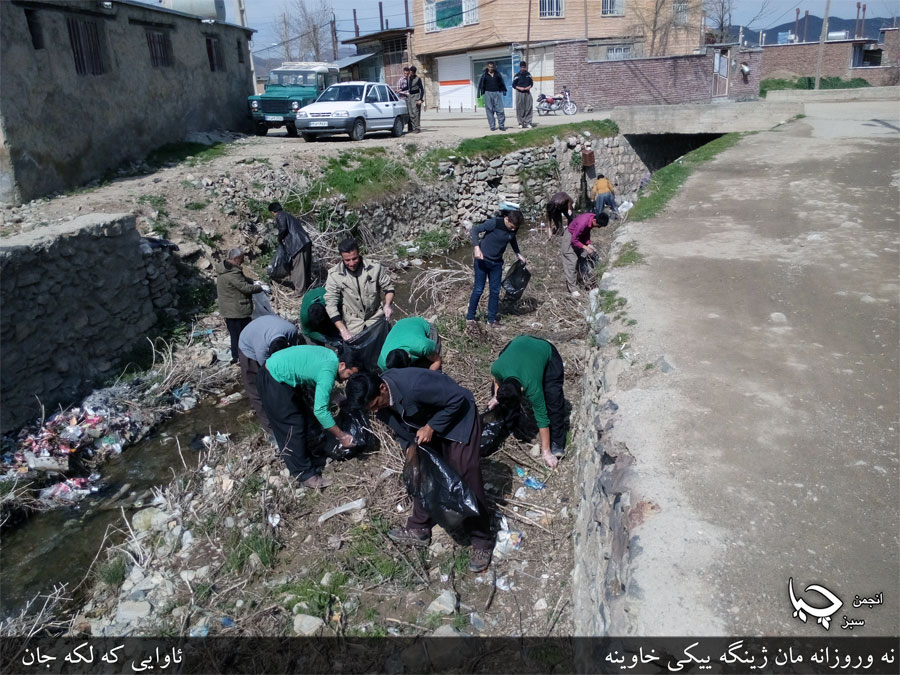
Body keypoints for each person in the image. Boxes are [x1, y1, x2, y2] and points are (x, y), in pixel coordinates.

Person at [346, 370, 494, 572]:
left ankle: (482, 541)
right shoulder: (379, 404)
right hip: (426, 428)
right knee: (420, 472)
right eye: (370, 409)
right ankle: (419, 527)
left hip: (460, 420)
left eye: (375, 405)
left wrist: (432, 426)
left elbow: (459, 397)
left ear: (382, 388)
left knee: (466, 473)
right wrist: (409, 449)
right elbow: (401, 429)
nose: (374, 411)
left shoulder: (415, 385)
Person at [257, 345, 361, 489]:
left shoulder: (331, 357)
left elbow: (315, 378)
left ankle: (310, 455)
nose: (346, 380)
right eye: (349, 374)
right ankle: (305, 475)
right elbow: (321, 411)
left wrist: (335, 397)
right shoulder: (328, 371)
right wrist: (341, 436)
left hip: (282, 374)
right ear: (342, 365)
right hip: (273, 378)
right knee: (293, 426)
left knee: (305, 417)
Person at [489, 336, 567, 470]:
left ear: (522, 390)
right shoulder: (497, 367)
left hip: (544, 350)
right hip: (517, 343)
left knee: (553, 399)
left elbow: (542, 419)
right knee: (502, 399)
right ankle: (508, 422)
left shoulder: (532, 387)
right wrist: (496, 397)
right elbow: (496, 379)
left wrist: (546, 452)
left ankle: (557, 441)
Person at [238, 315, 300, 435]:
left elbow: (295, 354)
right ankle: (272, 430)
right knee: (257, 390)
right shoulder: (261, 350)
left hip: (266, 328)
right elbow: (269, 372)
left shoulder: (291, 331)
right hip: (248, 348)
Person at [325, 238, 395, 341]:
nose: (352, 263)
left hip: (376, 317)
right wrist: (343, 330)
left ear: (359, 253)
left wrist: (387, 305)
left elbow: (389, 288)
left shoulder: (375, 267)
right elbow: (331, 304)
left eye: (355, 258)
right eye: (347, 260)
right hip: (353, 322)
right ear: (342, 258)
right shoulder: (334, 275)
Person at [466, 210, 526, 328]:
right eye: (512, 227)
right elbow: (475, 230)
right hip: (482, 261)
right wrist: (477, 248)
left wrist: (518, 254)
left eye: (516, 228)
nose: (513, 229)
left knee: (495, 291)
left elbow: (512, 239)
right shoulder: (494, 223)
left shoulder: (513, 228)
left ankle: (491, 320)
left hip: (497, 263)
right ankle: (470, 318)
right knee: (478, 289)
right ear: (507, 219)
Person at [215, 247, 266, 364]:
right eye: (242, 258)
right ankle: (238, 357)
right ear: (236, 258)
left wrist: (252, 281)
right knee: (239, 335)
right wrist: (260, 288)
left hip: (230, 309)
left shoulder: (227, 269)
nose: (243, 261)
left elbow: (242, 280)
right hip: (237, 311)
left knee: (236, 334)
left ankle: (240, 356)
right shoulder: (232, 273)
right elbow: (245, 288)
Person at [268, 202, 312, 297]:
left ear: (273, 211)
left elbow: (283, 228)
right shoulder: (288, 215)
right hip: (304, 241)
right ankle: (308, 289)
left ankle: (299, 292)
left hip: (297, 244)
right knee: (305, 266)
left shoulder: (280, 216)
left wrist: (279, 239)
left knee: (298, 267)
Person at [561, 211, 608, 296]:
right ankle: (573, 289)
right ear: (594, 221)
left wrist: (589, 244)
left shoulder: (593, 218)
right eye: (599, 226)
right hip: (570, 237)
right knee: (572, 261)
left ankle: (584, 281)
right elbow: (574, 240)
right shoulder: (583, 222)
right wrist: (585, 247)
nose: (599, 228)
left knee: (583, 257)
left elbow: (586, 232)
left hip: (579, 237)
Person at [377, 316, 442, 372]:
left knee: (426, 363)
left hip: (416, 323)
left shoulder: (422, 345)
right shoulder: (383, 363)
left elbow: (437, 360)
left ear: (409, 355)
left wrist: (429, 374)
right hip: (400, 326)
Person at [477, 62, 507, 131]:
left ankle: (501, 125)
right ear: (487, 67)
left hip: (497, 93)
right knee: (489, 110)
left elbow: (501, 82)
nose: (490, 68)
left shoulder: (497, 74)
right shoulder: (484, 75)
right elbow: (480, 85)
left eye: (492, 67)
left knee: (500, 110)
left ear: (493, 67)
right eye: (489, 67)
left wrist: (504, 90)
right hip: (488, 93)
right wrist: (479, 93)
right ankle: (492, 126)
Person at [512, 61, 534, 129]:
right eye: (522, 67)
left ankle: (528, 122)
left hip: (527, 92)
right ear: (520, 67)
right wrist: (519, 88)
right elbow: (513, 85)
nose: (523, 68)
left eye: (524, 67)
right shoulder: (517, 75)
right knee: (520, 108)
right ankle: (520, 123)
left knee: (528, 107)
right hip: (520, 93)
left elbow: (531, 83)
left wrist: (529, 87)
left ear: (526, 67)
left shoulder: (528, 74)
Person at [406, 66, 424, 134]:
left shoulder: (418, 79)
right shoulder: (408, 78)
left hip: (416, 96)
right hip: (410, 96)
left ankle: (417, 128)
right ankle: (413, 127)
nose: (410, 73)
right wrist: (400, 89)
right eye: (410, 72)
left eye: (412, 72)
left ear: (414, 72)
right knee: (411, 113)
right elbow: (408, 87)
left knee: (416, 112)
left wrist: (420, 99)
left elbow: (422, 89)